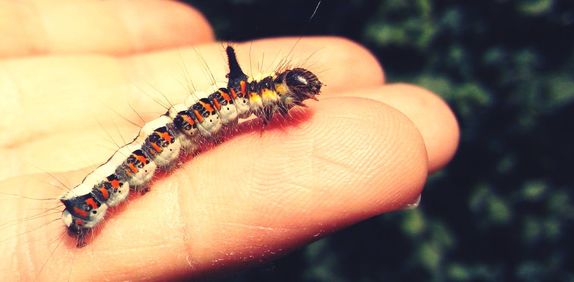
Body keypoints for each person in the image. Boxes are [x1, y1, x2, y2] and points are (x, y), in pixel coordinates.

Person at [0, 1, 459, 280]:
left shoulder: (245, 102)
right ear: (278, 93)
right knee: (149, 153)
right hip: (105, 187)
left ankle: (87, 205)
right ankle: (87, 204)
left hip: (173, 138)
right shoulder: (239, 102)